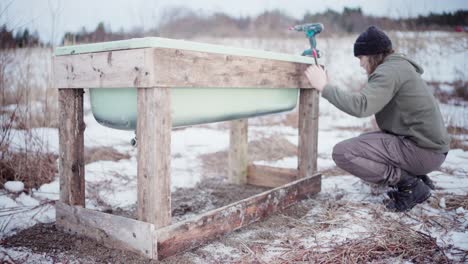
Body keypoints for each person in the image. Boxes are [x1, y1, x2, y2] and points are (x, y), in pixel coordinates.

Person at [304, 26, 450, 212]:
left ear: (373, 55)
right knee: (364, 140)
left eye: (361, 58)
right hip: (430, 151)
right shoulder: (398, 67)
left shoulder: (388, 71)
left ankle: (410, 185)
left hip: (424, 152)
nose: (360, 64)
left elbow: (361, 106)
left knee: (343, 153)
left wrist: (324, 87)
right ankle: (414, 176)